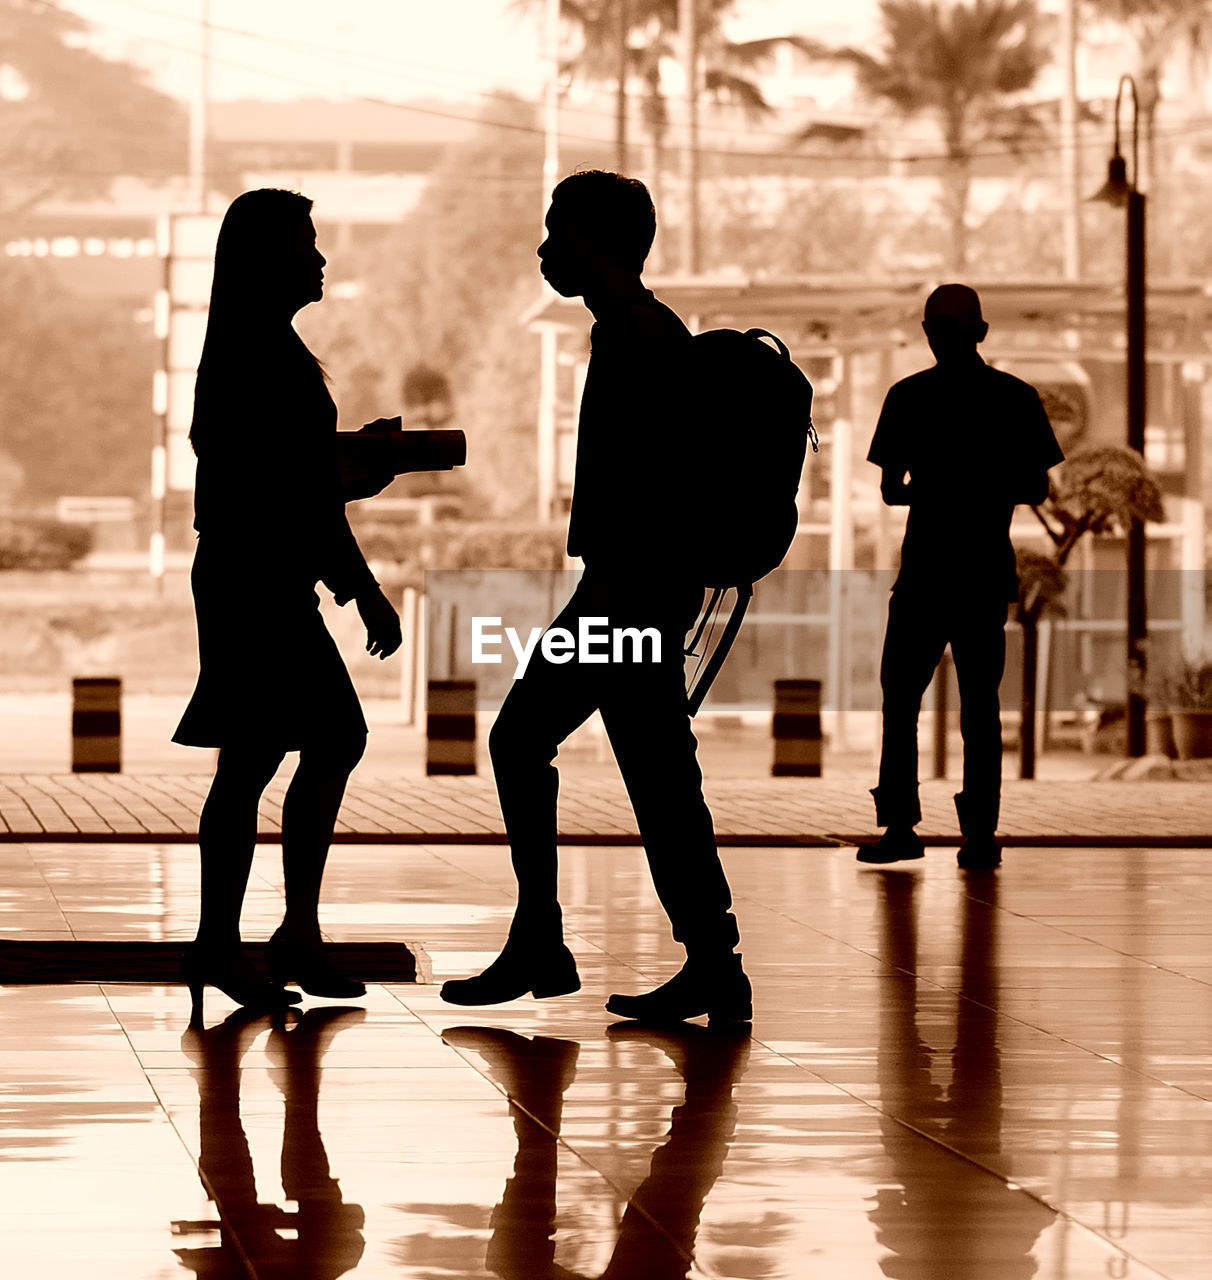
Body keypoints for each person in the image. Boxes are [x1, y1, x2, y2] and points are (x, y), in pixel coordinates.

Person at [440, 170, 750, 1023]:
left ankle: (549, 937)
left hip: (627, 599)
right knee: (656, 773)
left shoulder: (637, 341)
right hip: (636, 594)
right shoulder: (640, 331)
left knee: (522, 741)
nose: (545, 250)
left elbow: (651, 489)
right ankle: (709, 960)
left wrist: (608, 599)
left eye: (560, 233)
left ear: (602, 242)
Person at [174, 188, 402, 1014]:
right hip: (256, 580)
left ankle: (251, 939)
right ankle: (251, 939)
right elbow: (296, 493)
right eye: (306, 244)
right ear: (267, 259)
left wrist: (353, 466)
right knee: (303, 745)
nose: (319, 259)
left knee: (273, 754)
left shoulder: (253, 348)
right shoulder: (260, 356)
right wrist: (363, 587)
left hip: (253, 574)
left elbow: (289, 480)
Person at [861, 284, 1063, 870]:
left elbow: (890, 490)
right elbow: (1036, 488)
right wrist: (986, 486)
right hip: (983, 573)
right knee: (981, 705)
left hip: (924, 571)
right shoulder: (1015, 398)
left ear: (930, 334)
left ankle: (901, 827)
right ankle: (979, 837)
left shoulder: (908, 397)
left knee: (900, 700)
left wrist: (933, 486)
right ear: (981, 332)